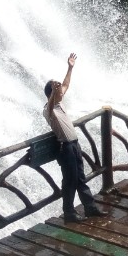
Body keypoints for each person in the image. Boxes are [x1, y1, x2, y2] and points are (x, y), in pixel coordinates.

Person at [43, 52, 105, 223]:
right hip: (66, 147)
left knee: (80, 178)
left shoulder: (59, 102)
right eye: (57, 92)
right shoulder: (49, 109)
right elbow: (50, 105)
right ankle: (69, 212)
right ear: (51, 95)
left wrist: (70, 68)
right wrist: (53, 94)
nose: (61, 92)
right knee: (70, 180)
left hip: (74, 145)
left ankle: (90, 207)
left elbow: (66, 84)